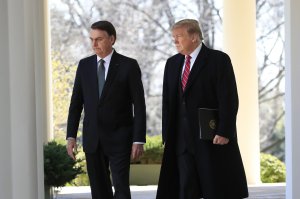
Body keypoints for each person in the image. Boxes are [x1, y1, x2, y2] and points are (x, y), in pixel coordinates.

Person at [156, 19, 249, 199]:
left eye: (179, 36)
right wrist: (167, 134)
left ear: (194, 37)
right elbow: (167, 102)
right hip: (180, 140)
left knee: (215, 188)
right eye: (173, 37)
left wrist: (224, 131)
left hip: (211, 137)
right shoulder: (172, 63)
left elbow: (228, 98)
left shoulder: (218, 60)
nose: (175, 41)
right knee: (185, 189)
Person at [66, 20, 146, 199]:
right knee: (99, 190)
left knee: (121, 189)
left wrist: (138, 139)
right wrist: (71, 136)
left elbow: (139, 106)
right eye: (91, 39)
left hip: (120, 138)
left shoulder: (128, 65)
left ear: (112, 39)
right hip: (93, 138)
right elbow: (76, 104)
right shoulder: (84, 65)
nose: (94, 44)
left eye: (99, 39)